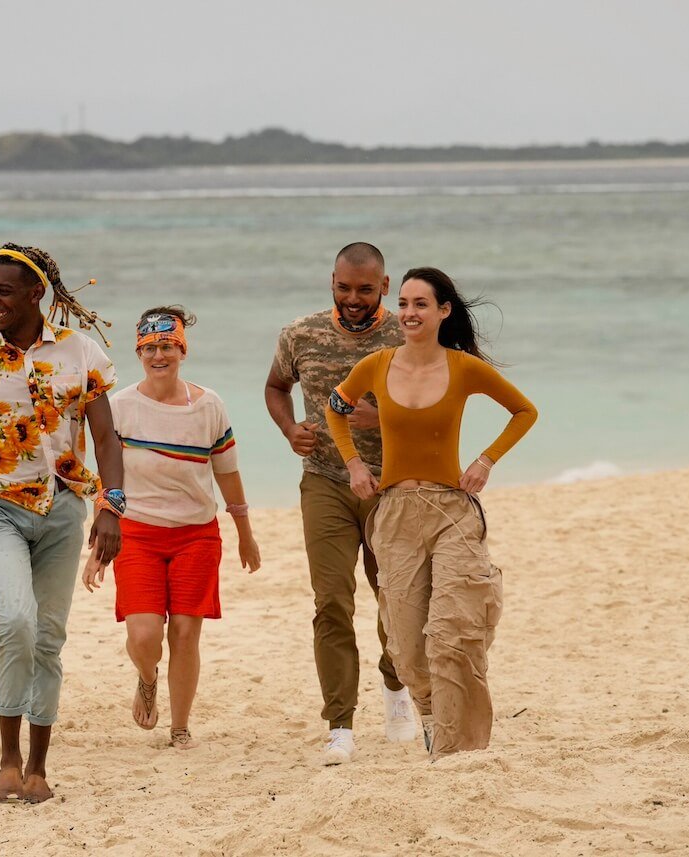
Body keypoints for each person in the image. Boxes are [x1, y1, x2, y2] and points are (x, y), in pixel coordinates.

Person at [0, 243, 124, 804]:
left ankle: (37, 767)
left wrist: (111, 506)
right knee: (16, 621)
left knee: (49, 638)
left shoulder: (80, 352)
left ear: (37, 294)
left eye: (3, 291)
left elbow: (106, 437)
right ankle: (7, 760)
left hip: (62, 510)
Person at [325, 266, 538, 758]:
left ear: (443, 311)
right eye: (402, 303)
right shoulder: (375, 364)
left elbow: (524, 411)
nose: (408, 313)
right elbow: (336, 409)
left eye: (420, 304)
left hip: (452, 512)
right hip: (396, 512)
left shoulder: (464, 367)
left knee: (453, 633)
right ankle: (428, 715)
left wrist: (485, 461)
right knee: (406, 645)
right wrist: (354, 464)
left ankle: (458, 750)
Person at [265, 242, 418, 765]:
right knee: (331, 601)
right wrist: (289, 430)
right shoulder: (300, 333)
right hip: (325, 482)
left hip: (394, 487)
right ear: (331, 281)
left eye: (365, 289)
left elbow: (440, 404)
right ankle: (341, 726)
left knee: (396, 599)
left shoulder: (406, 335)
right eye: (344, 287)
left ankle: (396, 688)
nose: (353, 299)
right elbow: (275, 386)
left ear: (386, 286)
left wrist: (386, 419)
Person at [82, 306, 261, 750]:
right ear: (138, 352)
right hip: (137, 533)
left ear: (182, 349)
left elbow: (228, 473)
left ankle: (180, 727)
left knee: (184, 632)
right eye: (149, 348)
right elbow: (107, 477)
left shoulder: (208, 405)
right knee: (144, 636)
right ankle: (147, 677)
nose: (158, 355)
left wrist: (245, 531)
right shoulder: (119, 407)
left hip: (196, 533)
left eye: (166, 346)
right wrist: (98, 545)